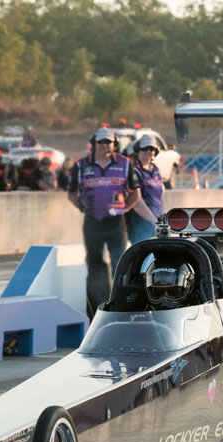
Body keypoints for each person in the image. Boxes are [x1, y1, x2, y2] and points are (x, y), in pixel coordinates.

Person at [68, 125, 142, 316]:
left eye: (109, 142)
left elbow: (136, 194)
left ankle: (121, 308)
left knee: (120, 264)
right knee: (95, 266)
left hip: (116, 222)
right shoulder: (81, 165)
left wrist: (124, 209)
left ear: (114, 144)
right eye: (101, 142)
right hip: (92, 223)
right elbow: (72, 194)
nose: (105, 145)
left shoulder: (125, 164)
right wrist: (83, 208)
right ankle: (96, 311)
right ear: (94, 144)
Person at [126, 134, 163, 243]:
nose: (148, 151)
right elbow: (137, 202)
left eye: (151, 148)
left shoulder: (155, 169)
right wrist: (154, 222)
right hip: (140, 221)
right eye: (145, 148)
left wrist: (163, 219)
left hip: (156, 221)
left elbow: (161, 196)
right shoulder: (134, 170)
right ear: (138, 150)